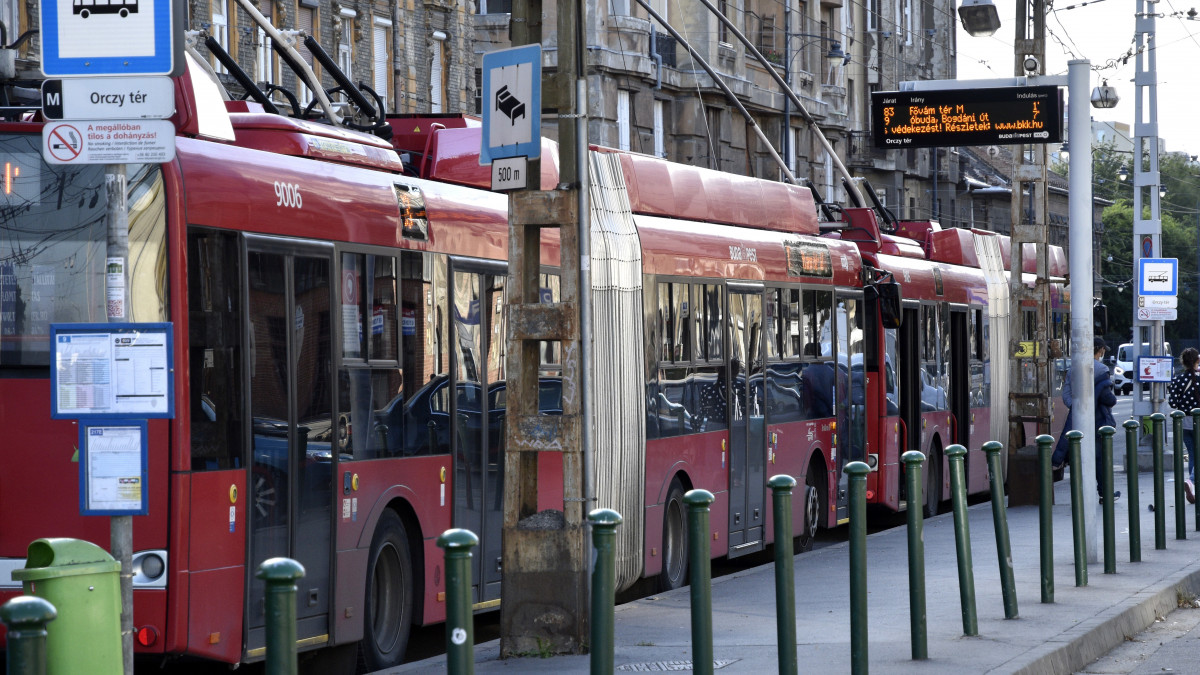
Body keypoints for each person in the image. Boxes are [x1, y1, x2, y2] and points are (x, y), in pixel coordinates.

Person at [1052, 337, 1119, 502]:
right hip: (1098, 421)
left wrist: (1079, 408)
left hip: (1077, 420)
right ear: (1100, 350)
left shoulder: (1073, 368)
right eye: (1103, 350)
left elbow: (1066, 395)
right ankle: (1105, 493)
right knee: (1100, 459)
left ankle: (1078, 494)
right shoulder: (1102, 369)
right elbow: (1108, 398)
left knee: (1077, 457)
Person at [1167, 347, 1200, 503]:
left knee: (1192, 454)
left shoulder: (1178, 380)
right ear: (1197, 362)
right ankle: (1192, 481)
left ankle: (1193, 486)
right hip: (1198, 421)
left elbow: (1172, 402)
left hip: (1184, 423)